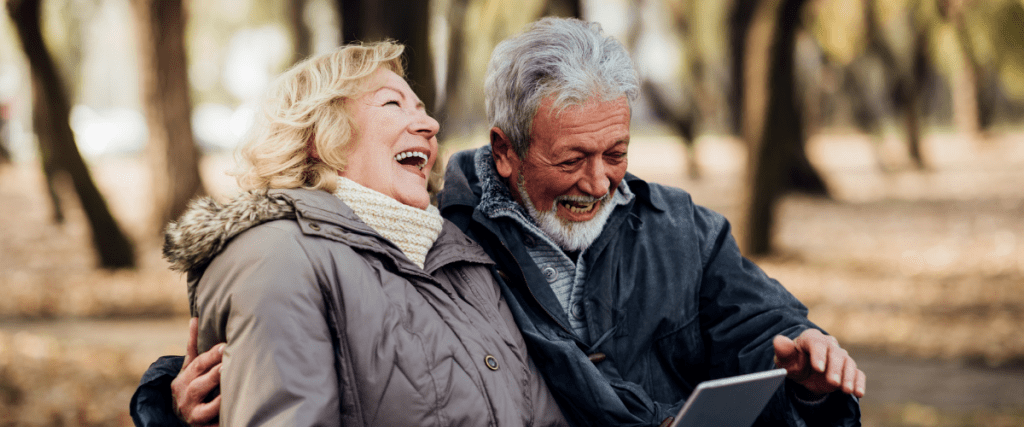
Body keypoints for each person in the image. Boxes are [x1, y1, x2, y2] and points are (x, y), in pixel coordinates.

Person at [140, 18, 866, 427]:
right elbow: (287, 350)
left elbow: (766, 329)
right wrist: (167, 403)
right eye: (572, 157)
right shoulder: (453, 231)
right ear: (505, 151)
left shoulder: (681, 229)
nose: (600, 180)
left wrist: (810, 365)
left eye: (616, 152)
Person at [130, 41, 568, 426]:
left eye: (421, 108)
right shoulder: (278, 257)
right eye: (393, 105)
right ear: (321, 138)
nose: (430, 124)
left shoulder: (457, 253)